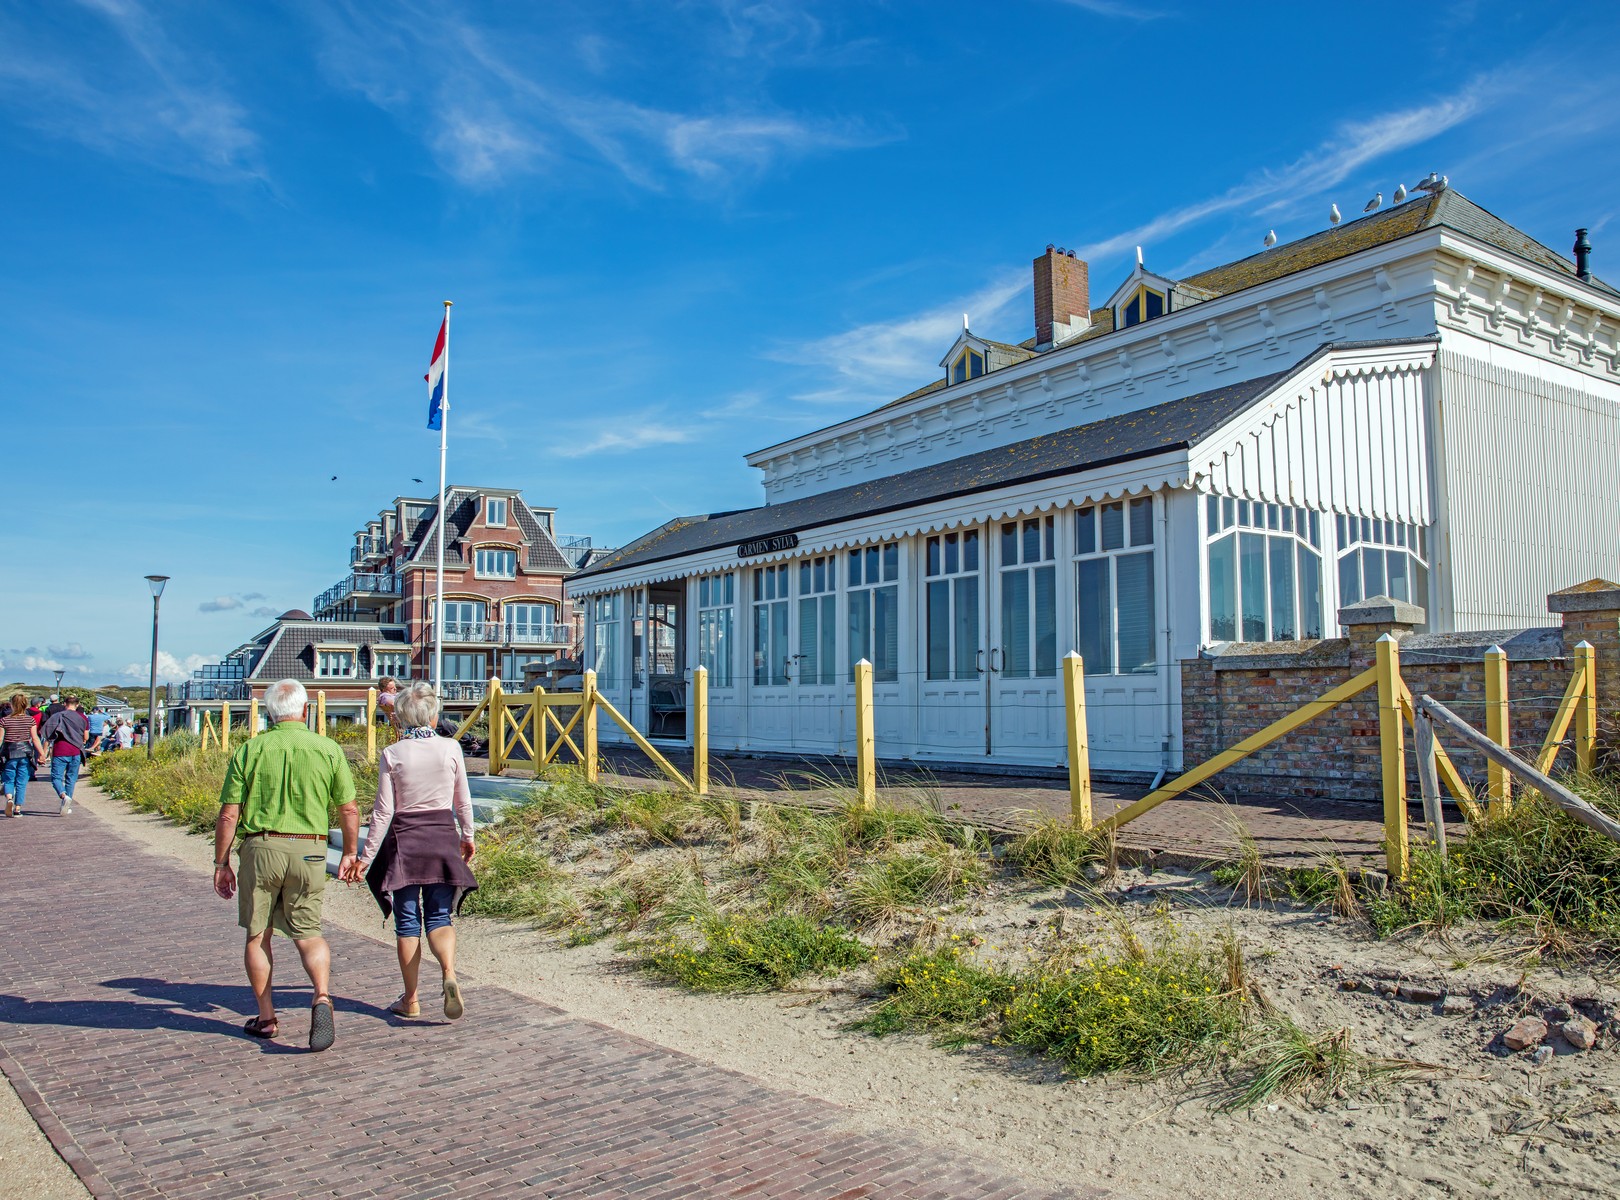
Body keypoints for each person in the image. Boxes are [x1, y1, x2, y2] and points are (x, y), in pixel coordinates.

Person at [213, 679, 358, 1051]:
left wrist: (221, 862)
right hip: (309, 848)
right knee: (308, 931)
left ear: (268, 713)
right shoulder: (327, 748)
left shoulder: (252, 749)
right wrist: (350, 852)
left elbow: (230, 813)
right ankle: (322, 995)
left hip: (261, 847)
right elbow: (348, 808)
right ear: (305, 711)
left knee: (258, 933)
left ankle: (266, 1018)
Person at [340, 682, 476, 1021]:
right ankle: (448, 972)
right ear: (432, 714)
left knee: (408, 921)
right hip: (442, 835)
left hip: (405, 839)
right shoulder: (450, 749)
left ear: (401, 717)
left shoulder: (393, 754)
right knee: (439, 916)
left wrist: (365, 857)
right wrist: (468, 835)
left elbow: (383, 812)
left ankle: (411, 999)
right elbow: (463, 800)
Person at [38, 695, 90, 815]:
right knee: (71, 779)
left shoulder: (58, 716)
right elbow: (86, 737)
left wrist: (43, 753)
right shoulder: (83, 718)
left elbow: (47, 734)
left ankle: (63, 795)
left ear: (65, 704)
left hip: (60, 750)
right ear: (77, 704)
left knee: (56, 778)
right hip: (76, 751)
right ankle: (68, 804)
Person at [1, 694, 47, 818]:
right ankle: (17, 808)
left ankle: (10, 798)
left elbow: (0, 739)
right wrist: (42, 754)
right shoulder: (29, 720)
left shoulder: (5, 720)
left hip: (9, 752)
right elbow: (35, 738)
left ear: (12, 704)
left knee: (8, 779)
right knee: (21, 781)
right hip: (25, 752)